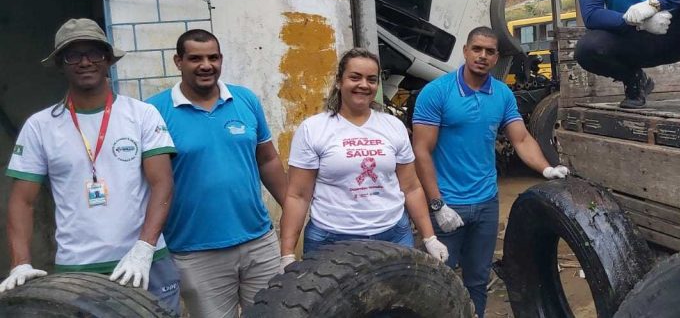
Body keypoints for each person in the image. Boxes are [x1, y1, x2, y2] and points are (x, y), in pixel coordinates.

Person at [2, 18, 180, 313]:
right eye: (73, 55)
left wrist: (144, 248)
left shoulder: (142, 115)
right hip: (77, 273)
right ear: (61, 63)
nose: (85, 62)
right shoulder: (41, 126)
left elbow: (162, 183)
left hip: (147, 263)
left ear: (108, 59)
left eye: (94, 53)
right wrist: (20, 263)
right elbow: (22, 201)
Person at [412, 27, 570, 318]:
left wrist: (547, 167)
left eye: (489, 51)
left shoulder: (501, 94)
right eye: (477, 49)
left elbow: (520, 138)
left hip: (486, 204)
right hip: (448, 205)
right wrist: (437, 205)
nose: (482, 56)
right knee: (437, 280)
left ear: (497, 56)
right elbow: (421, 150)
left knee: (477, 279)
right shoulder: (436, 93)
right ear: (466, 51)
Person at [147, 29, 288, 317]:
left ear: (221, 59)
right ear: (178, 61)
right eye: (195, 58)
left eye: (213, 57)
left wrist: (292, 207)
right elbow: (148, 182)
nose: (206, 65)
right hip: (195, 250)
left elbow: (268, 160)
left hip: (258, 242)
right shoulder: (154, 111)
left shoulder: (245, 100)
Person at [279, 48, 448, 264]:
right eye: (355, 77)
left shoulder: (393, 126)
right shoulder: (313, 129)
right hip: (332, 239)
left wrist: (429, 237)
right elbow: (298, 196)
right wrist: (287, 253)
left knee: (397, 298)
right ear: (339, 81)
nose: (364, 85)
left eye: (371, 79)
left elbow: (411, 187)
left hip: (393, 234)